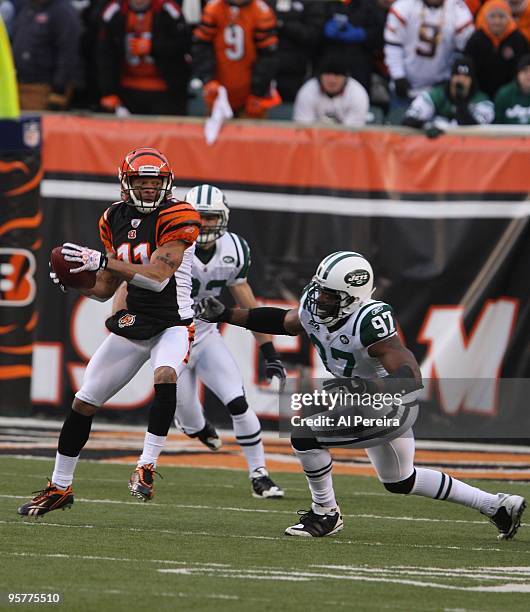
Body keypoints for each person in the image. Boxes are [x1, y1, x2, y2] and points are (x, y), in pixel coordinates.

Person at [196, 251, 527, 539]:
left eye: (329, 295)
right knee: (400, 480)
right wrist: (226, 314)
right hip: (360, 398)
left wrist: (375, 391)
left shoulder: (370, 321)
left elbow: (408, 371)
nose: (319, 299)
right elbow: (285, 321)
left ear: (353, 296)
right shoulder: (317, 302)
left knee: (304, 434)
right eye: (320, 291)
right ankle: (497, 505)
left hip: (387, 402)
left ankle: (325, 513)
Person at [17, 148, 202, 516]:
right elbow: (105, 287)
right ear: (126, 183)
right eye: (141, 182)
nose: (149, 189)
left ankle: (146, 465)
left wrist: (103, 261)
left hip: (172, 323)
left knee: (165, 374)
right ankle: (60, 487)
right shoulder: (112, 217)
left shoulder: (179, 215)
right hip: (134, 323)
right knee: (84, 400)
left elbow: (156, 277)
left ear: (166, 185)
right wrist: (77, 283)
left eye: (155, 183)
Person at [97, 0, 191, 115]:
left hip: (164, 89)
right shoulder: (114, 11)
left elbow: (185, 45)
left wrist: (153, 47)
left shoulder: (168, 9)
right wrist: (108, 91)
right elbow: (104, 54)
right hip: (126, 88)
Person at [192, 0, 279, 118]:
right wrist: (208, 80)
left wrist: (258, 92)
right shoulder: (213, 9)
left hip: (251, 96)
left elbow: (268, 57)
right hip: (218, 92)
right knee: (214, 133)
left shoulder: (261, 11)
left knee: (250, 134)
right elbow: (201, 48)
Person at [384, 0, 475, 107]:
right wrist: (398, 76)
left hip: (439, 89)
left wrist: (452, 77)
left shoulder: (457, 9)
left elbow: (463, 50)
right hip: (406, 85)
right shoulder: (404, 5)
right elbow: (393, 46)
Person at [10, 0, 82, 110]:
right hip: (18, 87)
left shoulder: (62, 11)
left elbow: (68, 53)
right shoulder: (28, 8)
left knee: (34, 126)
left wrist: (59, 90)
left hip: (43, 88)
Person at [402, 56, 494, 134]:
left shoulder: (483, 101)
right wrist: (427, 126)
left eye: (466, 77)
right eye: (457, 75)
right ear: (451, 78)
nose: (460, 80)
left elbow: (474, 130)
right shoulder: (436, 95)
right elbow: (408, 120)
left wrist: (460, 102)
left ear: (472, 81)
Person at [464, 0, 529, 99]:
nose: (497, 21)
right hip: (480, 95)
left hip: (510, 96)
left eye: (501, 17)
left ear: (508, 18)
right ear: (486, 18)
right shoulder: (476, 39)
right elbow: (468, 66)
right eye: (493, 17)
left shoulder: (518, 39)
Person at [268, 0, 326, 103]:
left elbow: (313, 34)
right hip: (265, 67)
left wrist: (283, 25)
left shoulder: (311, 4)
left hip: (296, 69)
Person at [322, 0, 385, 94]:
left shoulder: (371, 6)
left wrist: (364, 35)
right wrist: (322, 29)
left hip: (360, 66)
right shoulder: (328, 4)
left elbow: (382, 34)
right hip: (330, 64)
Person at [293, 55, 370, 127]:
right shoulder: (307, 91)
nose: (332, 80)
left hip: (346, 140)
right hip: (314, 140)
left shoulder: (358, 94)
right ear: (319, 76)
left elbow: (353, 133)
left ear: (346, 78)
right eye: (327, 74)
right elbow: (302, 130)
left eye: (337, 75)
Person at [494, 52, 530, 121]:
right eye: (525, 70)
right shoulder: (504, 94)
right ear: (518, 73)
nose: (529, 74)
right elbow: (496, 123)